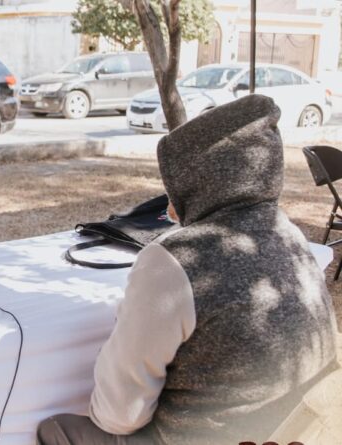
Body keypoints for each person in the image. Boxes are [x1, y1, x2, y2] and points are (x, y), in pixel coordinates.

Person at [37, 94, 339, 444]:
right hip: (295, 428)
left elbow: (119, 414)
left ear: (198, 179)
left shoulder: (174, 259)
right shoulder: (291, 235)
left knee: (55, 430)